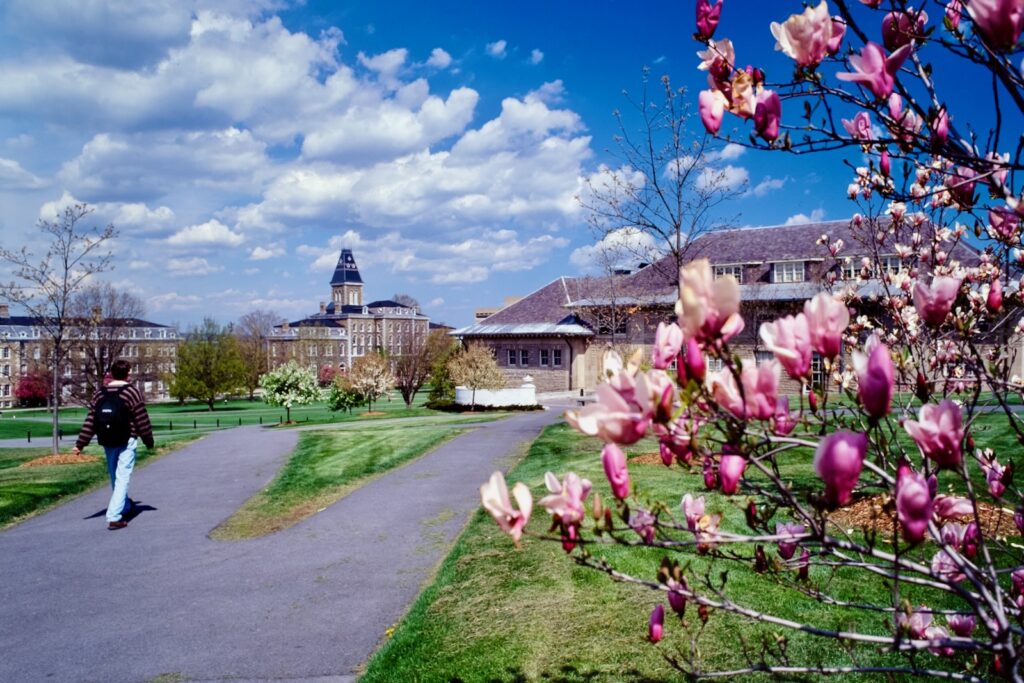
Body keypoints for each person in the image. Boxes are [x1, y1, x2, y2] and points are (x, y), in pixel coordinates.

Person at [72, 359, 155, 530]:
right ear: (127, 374)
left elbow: (91, 420)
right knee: (123, 477)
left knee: (115, 477)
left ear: (112, 373)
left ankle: (124, 507)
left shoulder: (100, 393)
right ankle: (114, 516)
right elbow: (141, 418)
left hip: (107, 440)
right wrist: (148, 439)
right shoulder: (132, 392)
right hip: (127, 439)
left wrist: (81, 443)